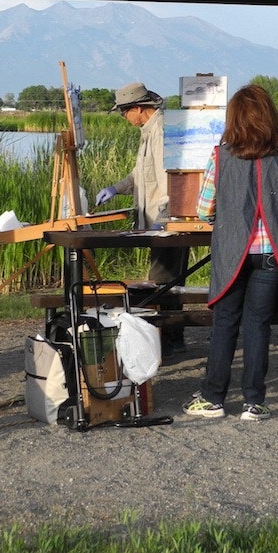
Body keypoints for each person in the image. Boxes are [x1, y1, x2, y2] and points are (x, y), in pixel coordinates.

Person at [182, 84, 278, 421]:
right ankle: (254, 402)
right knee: (258, 326)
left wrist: (230, 215)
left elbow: (204, 209)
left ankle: (213, 398)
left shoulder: (220, 156)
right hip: (271, 255)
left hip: (232, 252)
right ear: (270, 118)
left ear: (233, 119)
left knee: (224, 326)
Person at [95, 81, 189, 355]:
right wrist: (116, 189)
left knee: (164, 282)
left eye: (125, 112)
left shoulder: (160, 131)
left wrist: (164, 219)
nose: (124, 118)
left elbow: (169, 180)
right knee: (165, 280)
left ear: (138, 107)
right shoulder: (147, 131)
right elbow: (140, 175)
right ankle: (171, 338)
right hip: (156, 223)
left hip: (166, 224)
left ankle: (170, 340)